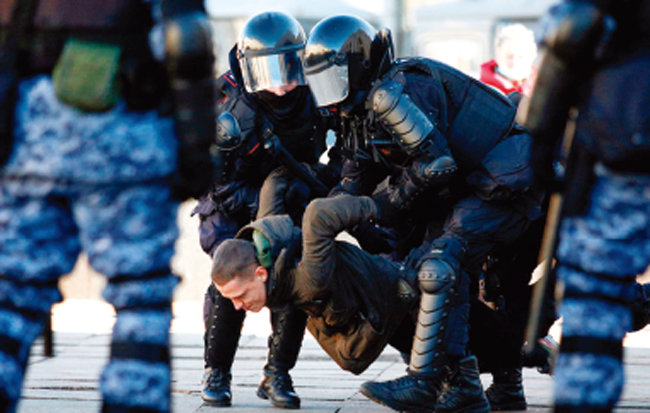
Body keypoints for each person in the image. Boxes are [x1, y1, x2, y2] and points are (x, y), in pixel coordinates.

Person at [301, 14, 546, 412]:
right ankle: (483, 387)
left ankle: (426, 383)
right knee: (457, 277)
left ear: (358, 67)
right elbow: (349, 183)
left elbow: (437, 165)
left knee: (437, 265)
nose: (328, 93)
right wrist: (308, 231)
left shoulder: (391, 95)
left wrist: (382, 204)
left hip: (505, 178)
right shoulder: (358, 111)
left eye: (334, 78)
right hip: (479, 184)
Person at [0, 1, 217, 412]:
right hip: (125, 139)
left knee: (12, 294)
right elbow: (187, 38)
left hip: (31, 139)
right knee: (140, 296)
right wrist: (196, 146)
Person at [193, 11, 339, 409]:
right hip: (231, 205)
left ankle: (277, 373)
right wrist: (266, 204)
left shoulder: (314, 95)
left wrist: (331, 185)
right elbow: (216, 184)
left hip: (290, 197)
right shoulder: (226, 102)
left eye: (288, 69)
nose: (280, 85)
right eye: (268, 72)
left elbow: (343, 147)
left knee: (291, 280)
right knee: (233, 280)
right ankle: (216, 371)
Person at [520, 0, 650, 410]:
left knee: (595, 302)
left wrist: (540, 146)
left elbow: (570, 32)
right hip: (624, 144)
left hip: (621, 153)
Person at [480, 23, 537, 96]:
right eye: (509, 56)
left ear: (532, 56)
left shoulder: (545, 85)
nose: (515, 62)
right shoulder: (482, 90)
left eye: (520, 56)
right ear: (497, 54)